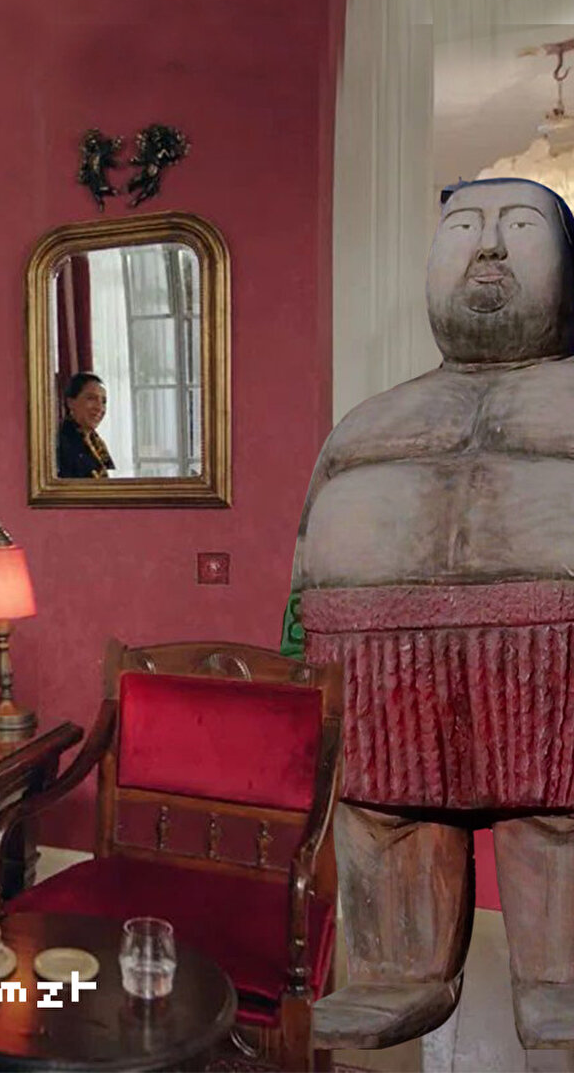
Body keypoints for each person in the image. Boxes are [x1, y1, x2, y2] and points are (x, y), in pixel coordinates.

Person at [293, 178, 574, 1050]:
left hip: (553, 653)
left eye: (519, 226)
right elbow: (303, 549)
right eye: (462, 228)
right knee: (385, 813)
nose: (488, 247)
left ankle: (558, 979)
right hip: (378, 659)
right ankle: (397, 970)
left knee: (558, 819)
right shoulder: (368, 420)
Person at [57, 372, 114, 478]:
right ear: (70, 403)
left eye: (103, 401)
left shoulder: (96, 443)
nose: (99, 408)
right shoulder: (61, 443)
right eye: (91, 398)